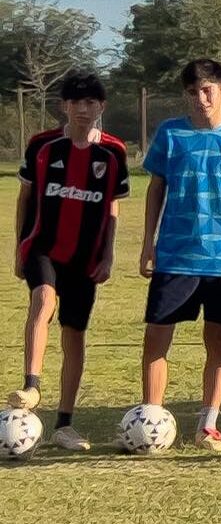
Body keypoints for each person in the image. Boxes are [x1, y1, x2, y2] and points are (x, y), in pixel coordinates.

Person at [138, 58, 221, 451]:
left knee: (218, 341)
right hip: (175, 254)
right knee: (157, 339)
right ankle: (150, 419)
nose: (200, 98)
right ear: (185, 95)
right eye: (192, 91)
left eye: (208, 89)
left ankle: (208, 424)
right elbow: (156, 188)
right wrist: (148, 242)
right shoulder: (170, 134)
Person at [10, 70, 127, 450]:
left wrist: (108, 255)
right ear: (64, 106)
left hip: (85, 257)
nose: (83, 109)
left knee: (74, 333)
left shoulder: (114, 152)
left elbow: (111, 207)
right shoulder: (42, 145)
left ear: (101, 107)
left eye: (91, 102)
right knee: (43, 298)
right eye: (76, 102)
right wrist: (18, 247)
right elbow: (24, 199)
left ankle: (64, 424)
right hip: (42, 246)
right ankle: (32, 386)